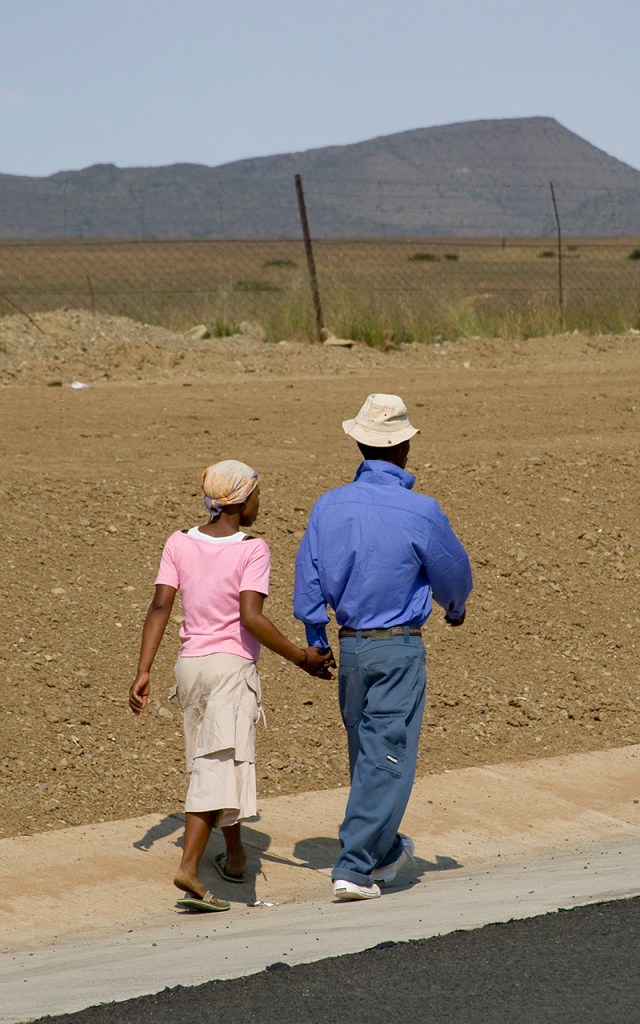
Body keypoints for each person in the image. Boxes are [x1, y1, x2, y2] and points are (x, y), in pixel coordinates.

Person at [129, 459, 332, 913]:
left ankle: (236, 857)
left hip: (189, 667)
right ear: (242, 501)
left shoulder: (179, 540)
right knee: (218, 766)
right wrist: (302, 659)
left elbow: (160, 606)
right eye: (257, 494)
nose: (260, 501)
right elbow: (251, 617)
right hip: (229, 668)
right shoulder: (252, 549)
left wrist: (143, 670)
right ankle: (190, 867)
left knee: (218, 759)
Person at [293, 394, 472, 901]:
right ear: (405, 449)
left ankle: (387, 849)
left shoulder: (328, 505)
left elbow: (308, 581)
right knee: (388, 754)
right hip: (397, 649)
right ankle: (353, 866)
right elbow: (453, 574)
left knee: (370, 755)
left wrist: (315, 639)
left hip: (350, 651)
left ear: (358, 442)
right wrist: (453, 609)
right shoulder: (420, 510)